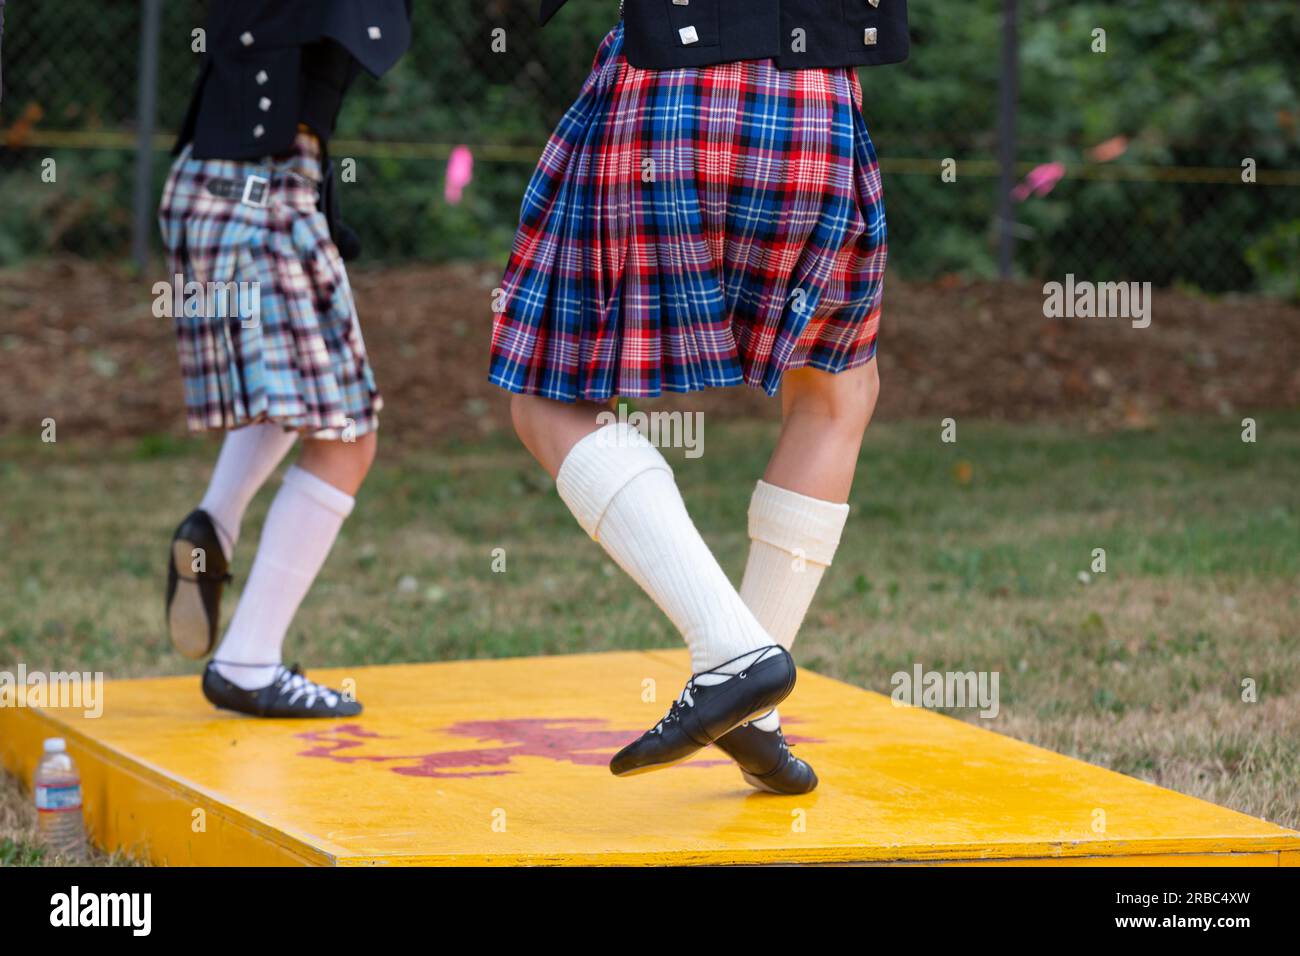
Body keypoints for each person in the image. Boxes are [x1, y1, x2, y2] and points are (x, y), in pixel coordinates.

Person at [490, 0, 908, 790]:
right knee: (838, 391)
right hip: (811, 107)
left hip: (666, 99)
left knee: (547, 395)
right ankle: (750, 709)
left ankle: (734, 655)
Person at [159, 1, 411, 718]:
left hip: (221, 184)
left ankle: (214, 524)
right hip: (257, 195)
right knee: (347, 437)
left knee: (305, 404)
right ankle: (246, 664)